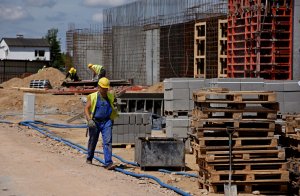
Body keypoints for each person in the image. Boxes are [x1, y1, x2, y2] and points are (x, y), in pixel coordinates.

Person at [84, 77, 118, 170]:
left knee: (107, 141)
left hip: (106, 121)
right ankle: (89, 157)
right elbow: (86, 108)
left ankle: (108, 163)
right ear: (99, 87)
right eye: (103, 88)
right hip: (95, 122)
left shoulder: (110, 96)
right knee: (93, 140)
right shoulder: (93, 96)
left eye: (106, 88)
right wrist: (89, 120)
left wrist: (113, 116)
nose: (105, 90)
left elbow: (113, 106)